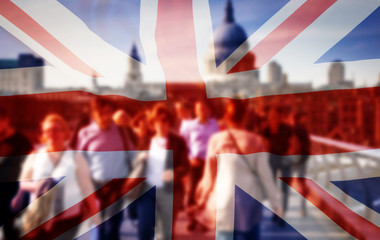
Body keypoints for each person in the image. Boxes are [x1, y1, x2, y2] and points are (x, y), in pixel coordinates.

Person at [196, 100, 282, 240]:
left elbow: (208, 176)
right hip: (250, 201)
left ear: (226, 117)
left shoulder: (217, 140)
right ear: (245, 117)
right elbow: (265, 175)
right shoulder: (255, 141)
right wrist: (276, 204)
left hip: (225, 200)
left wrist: (202, 198)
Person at [18, 113, 98, 239]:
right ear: (43, 134)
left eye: (56, 130)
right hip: (39, 218)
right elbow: (23, 182)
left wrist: (96, 216)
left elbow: (86, 187)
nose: (52, 134)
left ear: (65, 133)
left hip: (68, 220)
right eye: (48, 130)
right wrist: (38, 186)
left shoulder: (76, 157)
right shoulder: (35, 155)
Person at [76, 96, 135, 240]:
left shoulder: (121, 131)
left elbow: (133, 157)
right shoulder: (85, 134)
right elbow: (79, 163)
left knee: (112, 225)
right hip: (95, 189)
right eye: (101, 113)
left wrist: (131, 180)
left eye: (108, 112)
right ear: (94, 115)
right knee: (98, 227)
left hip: (116, 187)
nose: (106, 117)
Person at [136, 103, 189, 240]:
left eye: (165, 120)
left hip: (169, 191)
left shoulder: (178, 141)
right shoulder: (146, 139)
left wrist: (174, 174)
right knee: (144, 229)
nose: (161, 124)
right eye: (157, 120)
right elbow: (134, 162)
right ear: (153, 122)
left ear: (169, 122)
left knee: (166, 234)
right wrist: (140, 158)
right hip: (147, 191)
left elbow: (185, 166)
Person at [179, 100, 219, 231]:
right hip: (195, 163)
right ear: (195, 111)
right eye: (199, 108)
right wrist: (189, 158)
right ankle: (192, 219)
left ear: (209, 110)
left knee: (206, 192)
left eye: (204, 108)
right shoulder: (189, 126)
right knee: (191, 193)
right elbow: (182, 145)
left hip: (210, 164)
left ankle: (203, 220)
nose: (202, 111)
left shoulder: (214, 125)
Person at [0, 107, 32, 239]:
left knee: (12, 234)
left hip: (12, 198)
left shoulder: (21, 142)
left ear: (6, 120)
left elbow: (29, 171)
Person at [262, 105, 294, 218]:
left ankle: (282, 214)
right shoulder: (266, 129)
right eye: (271, 116)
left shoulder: (287, 128)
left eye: (275, 116)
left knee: (285, 188)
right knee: (273, 187)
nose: (273, 118)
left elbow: (292, 143)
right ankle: (275, 212)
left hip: (285, 158)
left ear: (280, 116)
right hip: (272, 158)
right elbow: (264, 145)